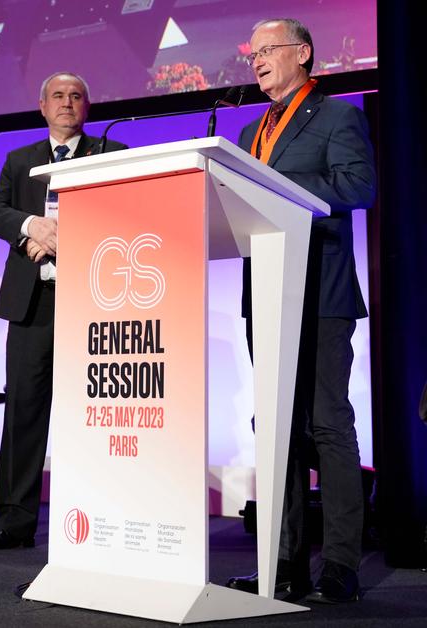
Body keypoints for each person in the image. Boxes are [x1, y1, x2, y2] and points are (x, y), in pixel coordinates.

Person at [225, 19, 376, 602]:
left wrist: (276, 185)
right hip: (264, 294)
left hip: (321, 295)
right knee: (276, 430)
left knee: (327, 425)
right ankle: (282, 562)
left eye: (268, 50)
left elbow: (359, 186)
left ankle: (340, 565)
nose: (257, 59)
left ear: (303, 54)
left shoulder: (338, 116)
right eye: (253, 52)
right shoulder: (245, 131)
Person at [0, 72, 127, 549]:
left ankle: (96, 519)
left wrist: (62, 239)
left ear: (87, 107)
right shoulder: (20, 161)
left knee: (93, 413)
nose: (67, 102)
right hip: (32, 305)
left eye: (76, 96)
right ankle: (15, 523)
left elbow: (121, 214)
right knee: (24, 410)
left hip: (90, 302)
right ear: (42, 106)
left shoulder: (111, 154)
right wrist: (32, 227)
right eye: (58, 96)